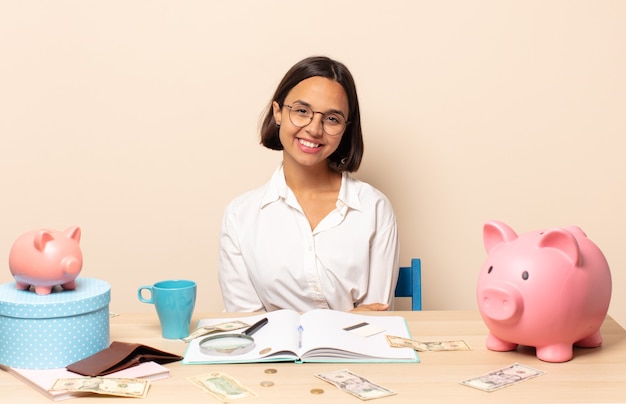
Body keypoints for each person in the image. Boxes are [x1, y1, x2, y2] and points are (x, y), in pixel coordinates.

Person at [218, 56, 399, 312]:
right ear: (278, 112)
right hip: (274, 353)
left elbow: (376, 317)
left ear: (346, 129)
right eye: (302, 111)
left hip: (357, 353)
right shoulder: (240, 216)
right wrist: (348, 319)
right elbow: (249, 326)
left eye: (332, 119)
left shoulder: (374, 208)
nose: (314, 129)